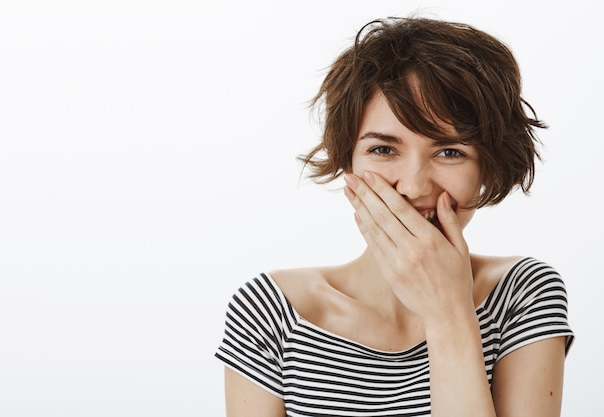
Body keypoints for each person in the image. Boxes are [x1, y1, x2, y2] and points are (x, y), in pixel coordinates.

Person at [215, 16, 574, 417]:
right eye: (384, 150)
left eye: (450, 152)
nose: (414, 186)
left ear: (485, 169)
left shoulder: (521, 295)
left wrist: (448, 314)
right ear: (346, 160)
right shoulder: (272, 311)